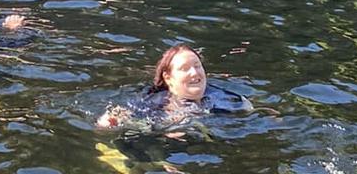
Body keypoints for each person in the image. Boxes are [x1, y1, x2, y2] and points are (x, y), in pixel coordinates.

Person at [96, 44, 251, 129]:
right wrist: (112, 119)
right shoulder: (154, 103)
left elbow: (249, 112)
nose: (194, 73)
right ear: (168, 78)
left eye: (198, 66)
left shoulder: (226, 98)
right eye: (185, 68)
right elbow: (120, 114)